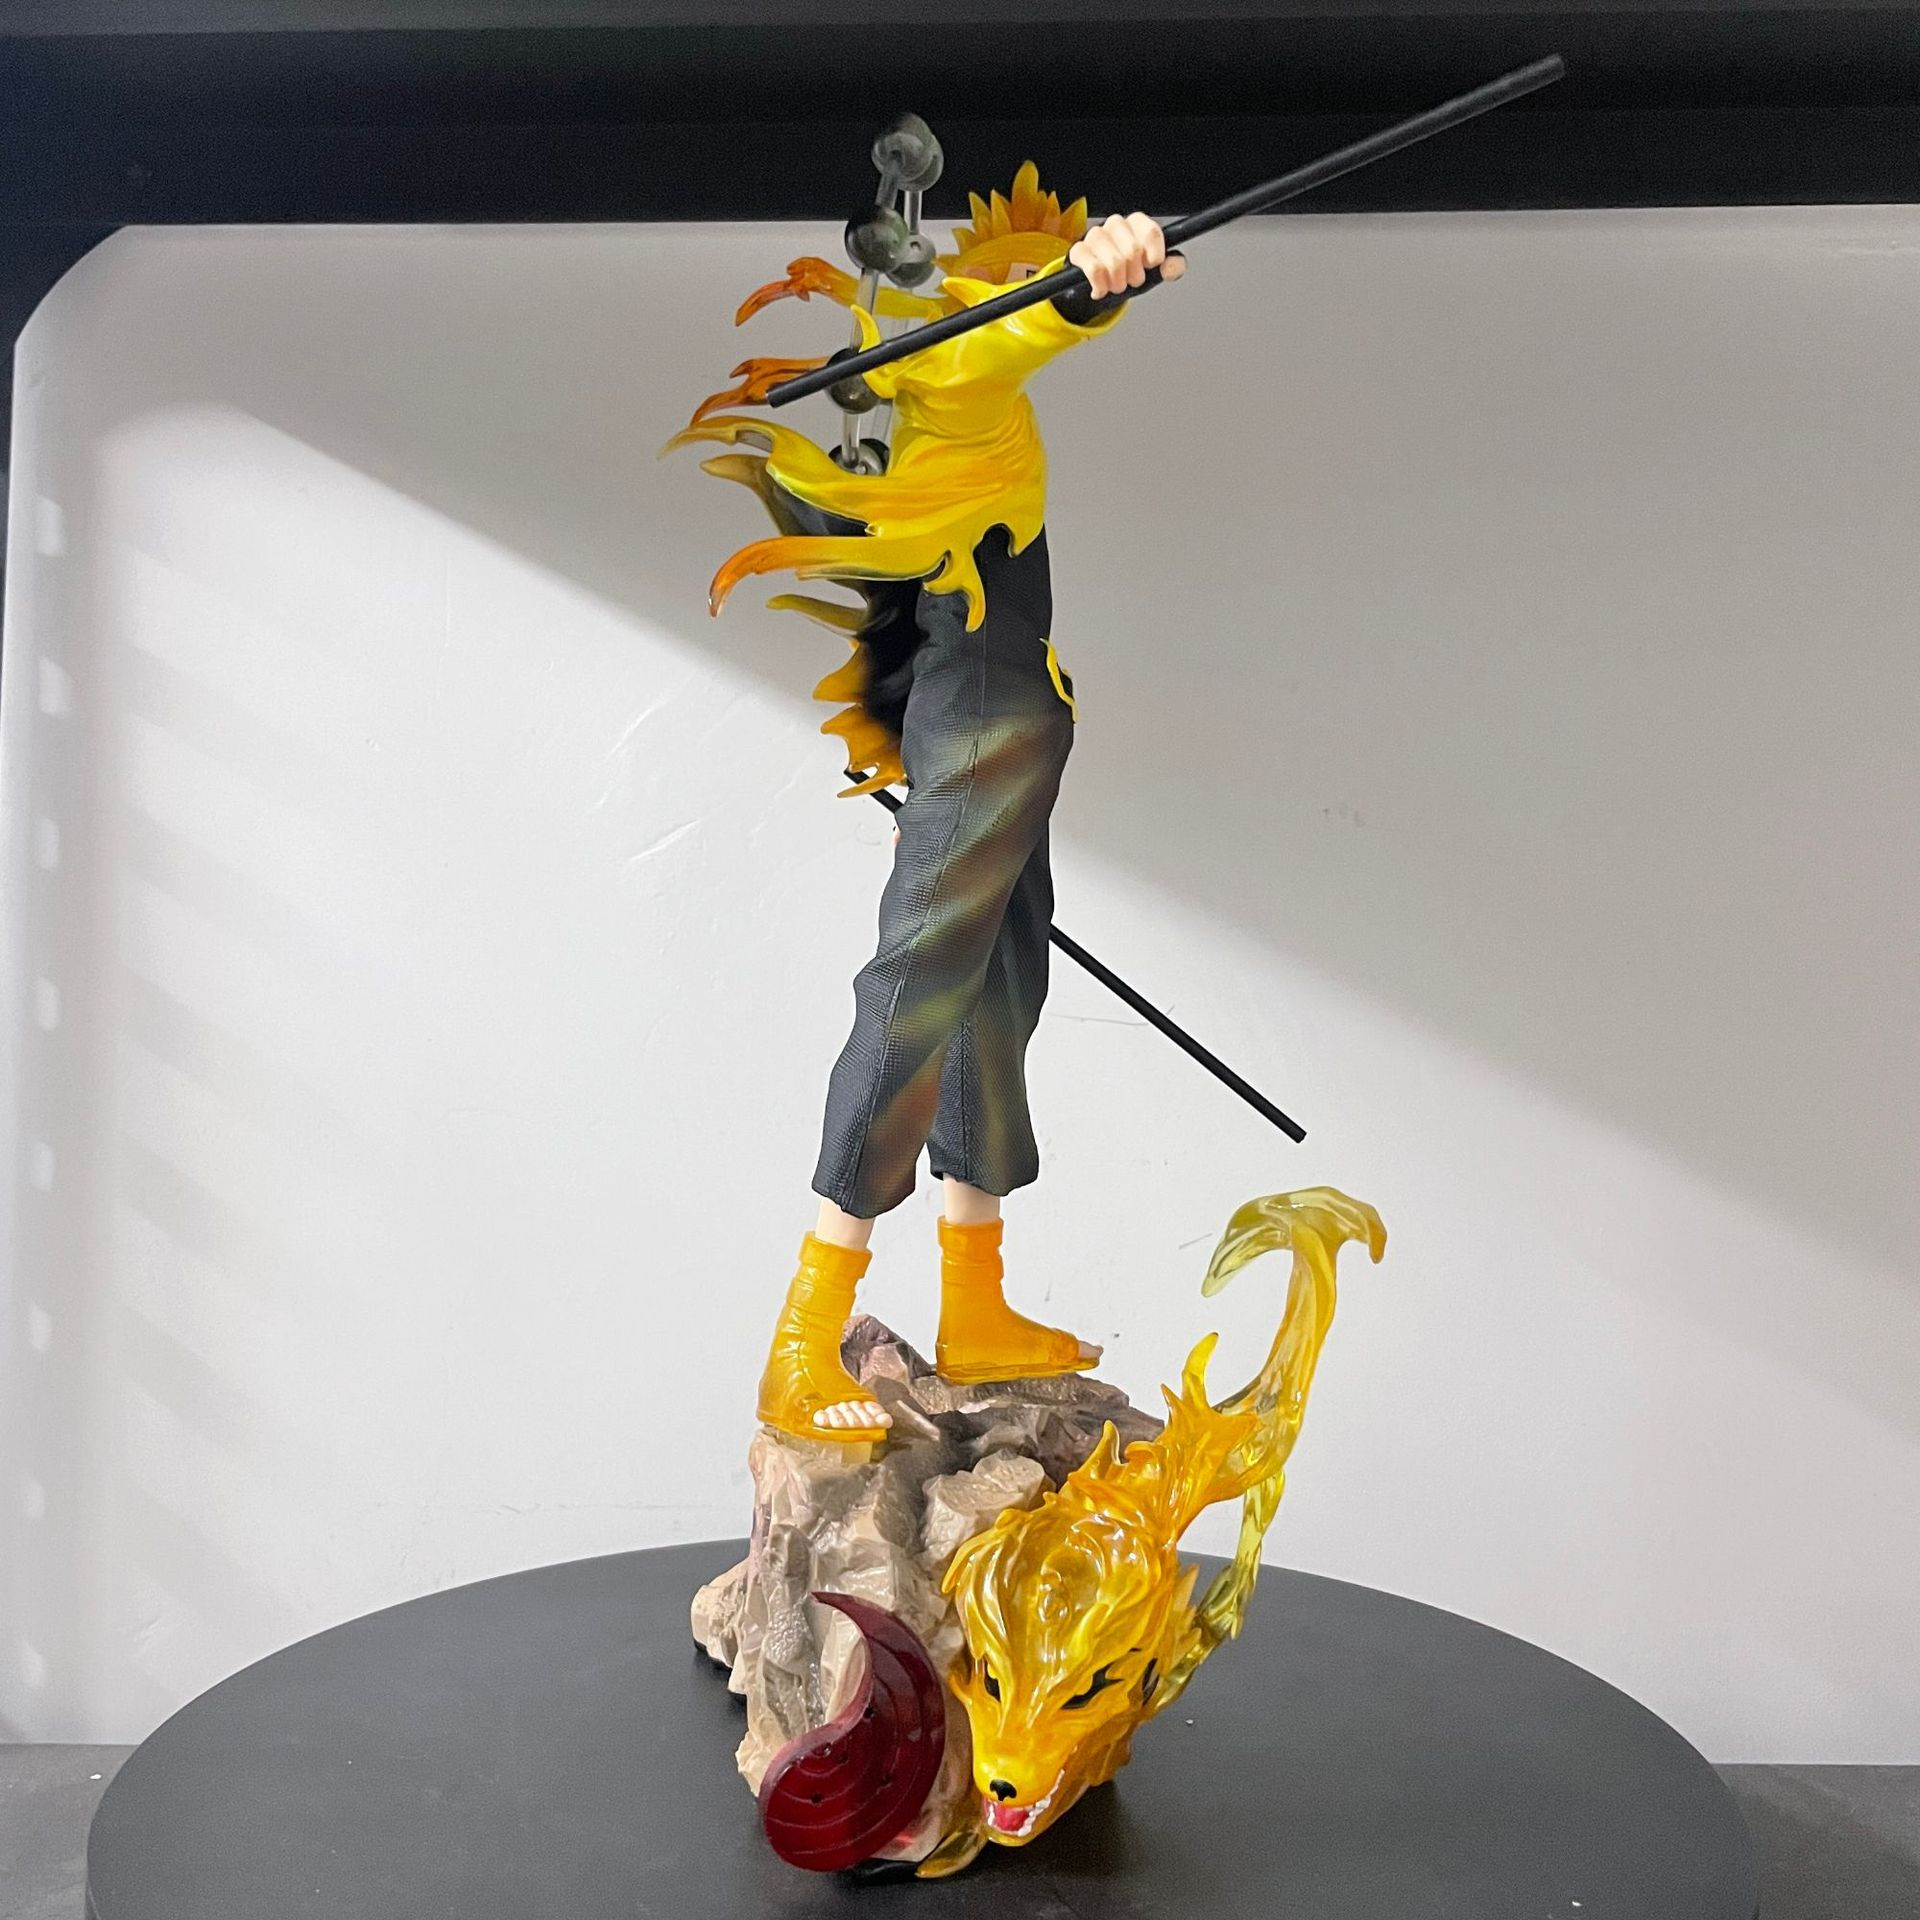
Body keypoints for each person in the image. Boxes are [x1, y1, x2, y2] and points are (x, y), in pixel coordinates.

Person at [674, 168, 1184, 1442]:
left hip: (1014, 721)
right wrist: (1087, 289)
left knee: (996, 992)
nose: (1000, 287)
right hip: (982, 727)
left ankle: (975, 1301)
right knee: (914, 993)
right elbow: (1009, 335)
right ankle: (806, 1331)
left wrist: (1094, 285)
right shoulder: (955, 379)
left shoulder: (962, 394)